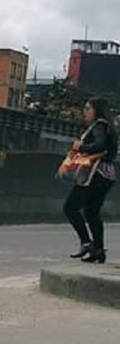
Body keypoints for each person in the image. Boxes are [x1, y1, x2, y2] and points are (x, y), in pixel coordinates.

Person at [64, 98, 116, 264]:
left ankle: (87, 243)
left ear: (97, 111)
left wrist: (81, 147)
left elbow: (100, 145)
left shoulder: (99, 126)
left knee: (70, 207)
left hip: (95, 173)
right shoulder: (107, 127)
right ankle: (98, 250)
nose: (84, 112)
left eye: (88, 109)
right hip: (107, 175)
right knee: (91, 211)